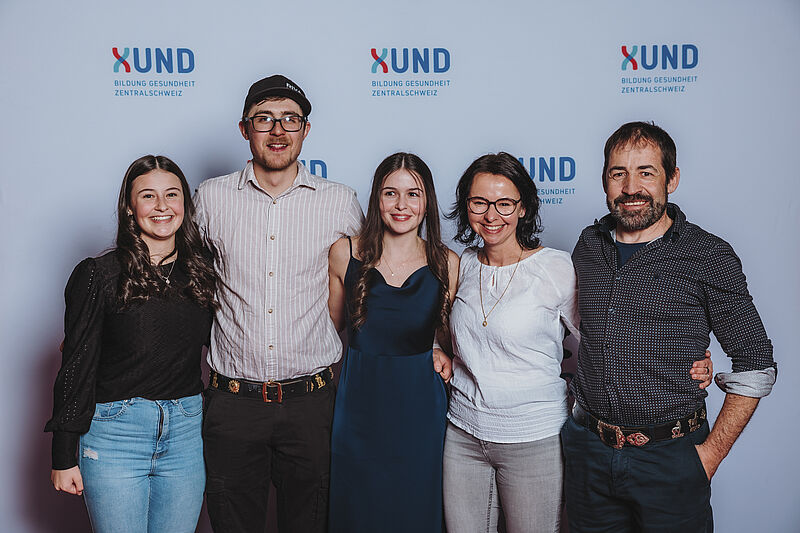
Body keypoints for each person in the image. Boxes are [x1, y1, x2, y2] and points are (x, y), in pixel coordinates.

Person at [440, 152, 714, 533]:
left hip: (533, 438)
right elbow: (440, 327)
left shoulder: (554, 267)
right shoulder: (462, 264)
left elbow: (606, 336)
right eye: (479, 203)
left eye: (504, 203)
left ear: (523, 208)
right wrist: (436, 349)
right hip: (463, 433)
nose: (491, 215)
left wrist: (681, 358)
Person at [562, 121, 777, 532]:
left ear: (672, 179)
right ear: (605, 181)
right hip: (589, 453)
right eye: (618, 173)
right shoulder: (588, 245)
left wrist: (709, 456)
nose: (631, 188)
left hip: (671, 457)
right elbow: (586, 331)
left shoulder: (707, 255)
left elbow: (756, 362)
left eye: (646, 172)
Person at [193, 74, 364, 533]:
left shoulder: (339, 202)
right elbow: (181, 279)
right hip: (233, 404)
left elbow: (377, 283)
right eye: (264, 119)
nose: (278, 130)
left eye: (290, 119)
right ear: (244, 129)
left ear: (306, 130)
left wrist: (433, 342)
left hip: (312, 403)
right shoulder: (210, 198)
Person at [45, 155, 218, 533]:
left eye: (172, 194)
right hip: (116, 434)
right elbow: (77, 364)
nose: (162, 206)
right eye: (148, 196)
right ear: (129, 207)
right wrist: (63, 454)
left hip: (187, 433)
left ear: (185, 204)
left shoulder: (203, 271)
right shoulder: (100, 274)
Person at [327, 152, 458, 533]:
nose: (401, 205)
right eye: (390, 193)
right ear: (377, 199)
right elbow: (327, 331)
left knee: (413, 508)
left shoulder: (447, 263)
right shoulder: (345, 253)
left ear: (427, 201)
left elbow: (452, 339)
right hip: (358, 405)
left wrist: (439, 351)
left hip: (419, 408)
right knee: (358, 510)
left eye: (413, 194)